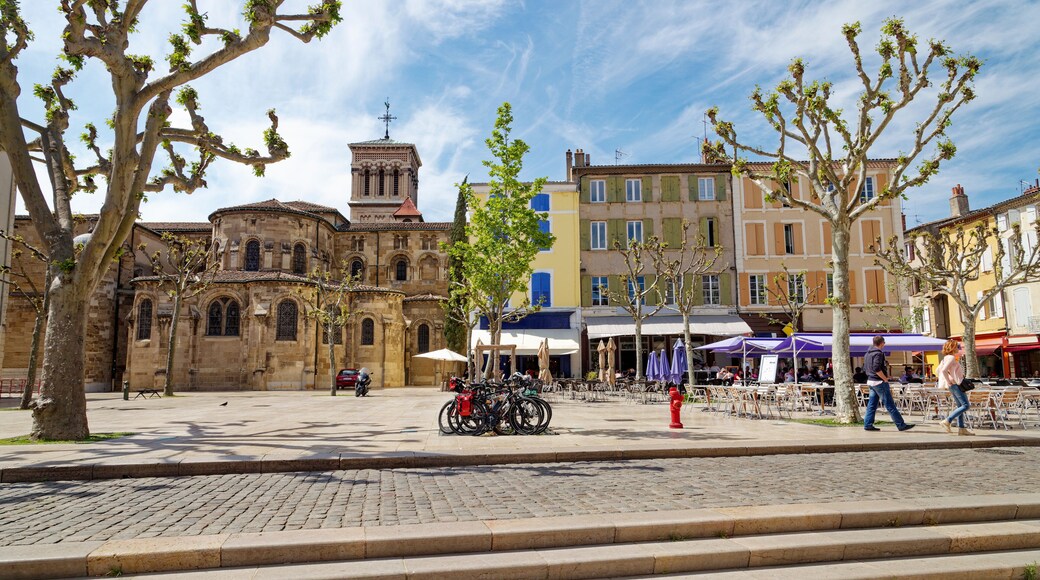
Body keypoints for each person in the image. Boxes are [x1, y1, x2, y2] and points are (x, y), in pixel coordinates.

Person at [863, 336, 914, 432]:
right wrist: (885, 379)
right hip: (879, 382)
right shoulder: (878, 353)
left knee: (872, 405)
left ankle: (868, 424)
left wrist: (886, 376)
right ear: (882, 343)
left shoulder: (867, 354)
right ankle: (901, 425)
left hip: (870, 381)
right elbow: (876, 368)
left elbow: (866, 368)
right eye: (884, 343)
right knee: (889, 404)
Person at [938, 340, 973, 436]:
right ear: (952, 347)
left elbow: (940, 370)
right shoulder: (951, 358)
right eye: (957, 346)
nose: (959, 348)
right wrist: (949, 381)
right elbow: (944, 370)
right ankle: (947, 420)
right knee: (966, 405)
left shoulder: (946, 358)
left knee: (960, 406)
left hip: (953, 385)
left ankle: (961, 428)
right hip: (955, 384)